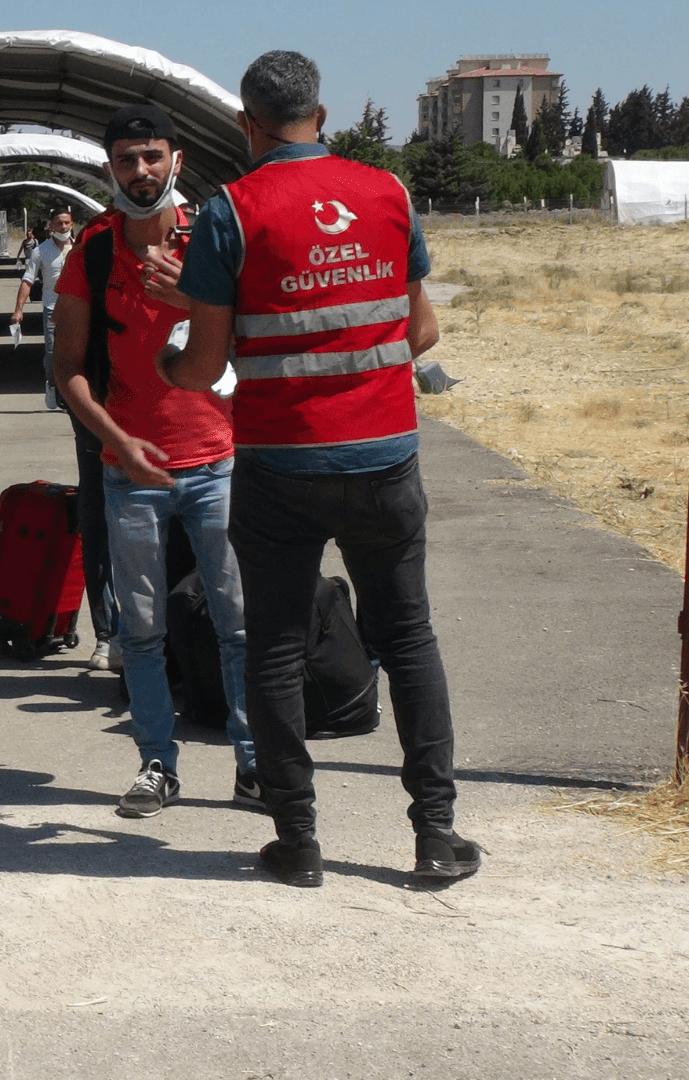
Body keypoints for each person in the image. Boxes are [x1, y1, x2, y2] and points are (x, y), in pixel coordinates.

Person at [160, 51, 477, 889]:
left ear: (246, 124)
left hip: (280, 465)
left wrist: (171, 354)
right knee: (407, 638)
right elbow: (423, 332)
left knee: (274, 644)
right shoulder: (389, 193)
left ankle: (298, 842)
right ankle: (436, 835)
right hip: (384, 455)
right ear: (323, 115)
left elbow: (204, 365)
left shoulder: (230, 210)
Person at [50, 103, 257, 820]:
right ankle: (156, 766)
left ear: (177, 161)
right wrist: (119, 440)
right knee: (140, 629)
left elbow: (258, 345)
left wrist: (196, 299)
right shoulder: (94, 253)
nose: (141, 172)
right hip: (127, 473)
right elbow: (68, 368)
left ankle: (253, 763)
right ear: (109, 168)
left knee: (237, 621)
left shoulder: (215, 244)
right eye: (126, 160)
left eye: (152, 157)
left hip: (219, 462)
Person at [13, 209, 76, 407]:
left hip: (77, 309)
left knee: (76, 353)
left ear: (72, 225)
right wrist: (18, 309)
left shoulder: (81, 248)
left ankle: (70, 393)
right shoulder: (41, 251)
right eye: (59, 223)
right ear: (51, 226)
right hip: (52, 308)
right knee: (52, 353)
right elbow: (28, 280)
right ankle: (52, 384)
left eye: (67, 223)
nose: (63, 227)